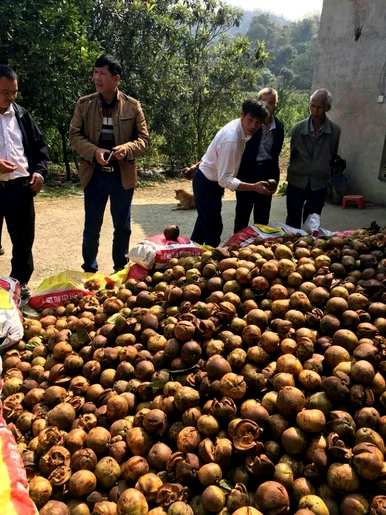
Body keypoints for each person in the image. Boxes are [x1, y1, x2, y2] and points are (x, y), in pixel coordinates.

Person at [69, 54, 149, 273]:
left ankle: (120, 269)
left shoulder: (132, 106)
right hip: (94, 174)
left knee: (122, 227)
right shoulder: (84, 104)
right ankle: (90, 268)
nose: (97, 77)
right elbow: (74, 136)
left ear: (116, 78)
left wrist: (126, 149)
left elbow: (144, 139)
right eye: (95, 72)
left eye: (102, 73)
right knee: (92, 225)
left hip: (121, 175)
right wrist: (94, 151)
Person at [187, 98, 271, 247]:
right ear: (242, 115)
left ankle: (189, 254)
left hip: (209, 181)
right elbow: (224, 180)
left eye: (258, 123)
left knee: (203, 224)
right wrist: (254, 187)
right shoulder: (232, 139)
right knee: (213, 230)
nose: (253, 126)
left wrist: (197, 165)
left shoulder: (240, 127)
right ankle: (209, 265)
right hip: (207, 184)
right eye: (250, 120)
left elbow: (214, 153)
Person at [0, 64, 48, 299]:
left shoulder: (21, 115)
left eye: (13, 92)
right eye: (3, 92)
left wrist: (39, 173)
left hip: (20, 188)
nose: (9, 97)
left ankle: (19, 283)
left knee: (23, 241)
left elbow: (40, 149)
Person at [286, 88, 341, 229]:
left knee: (312, 222)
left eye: (319, 107)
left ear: (327, 108)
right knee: (292, 219)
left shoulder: (335, 131)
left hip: (319, 183)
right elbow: (293, 155)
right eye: (312, 106)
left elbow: (332, 155)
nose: (315, 111)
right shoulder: (298, 129)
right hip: (297, 181)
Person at [234, 87, 284, 232]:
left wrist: (274, 179)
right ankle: (236, 248)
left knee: (262, 217)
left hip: (267, 174)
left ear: (276, 105)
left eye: (272, 102)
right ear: (258, 103)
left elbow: (275, 155)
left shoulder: (279, 127)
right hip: (247, 173)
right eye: (264, 101)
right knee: (242, 215)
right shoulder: (250, 124)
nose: (268, 105)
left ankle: (259, 249)